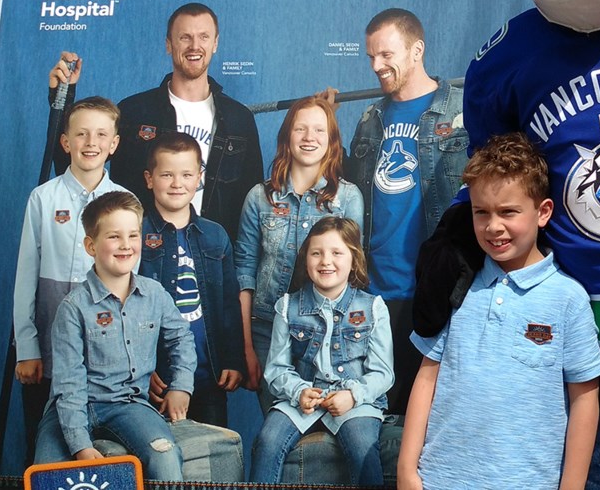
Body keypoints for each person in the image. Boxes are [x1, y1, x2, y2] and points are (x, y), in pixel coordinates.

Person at [398, 132, 600, 490]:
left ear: (543, 212)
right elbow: (427, 378)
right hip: (439, 480)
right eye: (482, 212)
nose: (493, 226)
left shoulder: (568, 299)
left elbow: (585, 399)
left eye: (508, 212)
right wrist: (406, 470)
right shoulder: (456, 286)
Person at [48, 1, 263, 240]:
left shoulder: (238, 119)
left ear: (215, 44)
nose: (195, 46)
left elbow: (253, 205)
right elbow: (77, 168)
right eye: (184, 37)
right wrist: (62, 101)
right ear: (168, 45)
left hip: (212, 258)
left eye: (203, 37)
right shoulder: (134, 111)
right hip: (139, 254)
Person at [345, 7, 468, 413]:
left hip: (437, 294)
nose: (377, 65)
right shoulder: (369, 119)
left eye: (386, 55)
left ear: (416, 50)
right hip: (376, 296)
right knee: (376, 419)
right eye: (371, 57)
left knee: (431, 422)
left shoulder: (458, 112)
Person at [33, 191, 196, 481]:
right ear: (90, 245)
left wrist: (181, 386)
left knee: (165, 454)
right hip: (72, 407)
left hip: (128, 404)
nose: (125, 245)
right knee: (48, 474)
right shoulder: (72, 308)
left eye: (133, 236)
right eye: (113, 237)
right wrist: (80, 445)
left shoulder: (154, 294)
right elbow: (68, 383)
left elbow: (181, 339)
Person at [13, 96, 127, 465]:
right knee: (45, 442)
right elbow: (26, 276)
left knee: (97, 445)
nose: (90, 143)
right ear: (66, 142)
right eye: (81, 134)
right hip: (48, 348)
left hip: (104, 352)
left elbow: (130, 282)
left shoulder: (124, 202)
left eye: (100, 135)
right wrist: (28, 349)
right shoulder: (43, 198)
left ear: (114, 144)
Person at [236, 95, 363, 410]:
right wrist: (248, 348)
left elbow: (353, 278)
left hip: (327, 333)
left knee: (319, 438)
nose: (309, 138)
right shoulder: (259, 198)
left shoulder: (347, 198)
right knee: (278, 428)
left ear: (332, 141)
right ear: (286, 138)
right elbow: (244, 272)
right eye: (300, 129)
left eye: (319, 131)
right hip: (266, 332)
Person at [250, 216, 393, 486]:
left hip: (354, 400)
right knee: (267, 441)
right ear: (306, 259)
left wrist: (353, 395)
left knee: (363, 445)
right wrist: (298, 391)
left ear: (354, 259)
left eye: (336, 253)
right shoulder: (287, 306)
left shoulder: (372, 307)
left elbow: (383, 373)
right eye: (317, 253)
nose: (326, 261)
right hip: (303, 398)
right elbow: (277, 369)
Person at [138, 132, 244, 426]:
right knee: (160, 464)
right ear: (149, 179)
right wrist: (141, 370)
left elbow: (228, 307)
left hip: (208, 375)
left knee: (211, 461)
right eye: (167, 174)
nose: (177, 183)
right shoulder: (136, 234)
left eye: (186, 174)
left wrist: (234, 360)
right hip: (155, 380)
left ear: (200, 177)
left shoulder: (215, 235)